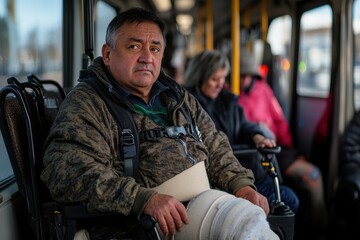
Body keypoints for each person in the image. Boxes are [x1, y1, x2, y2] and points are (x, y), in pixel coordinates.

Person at [40, 8, 279, 240]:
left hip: (204, 198)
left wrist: (241, 184)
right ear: (108, 54)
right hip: (140, 222)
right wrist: (142, 199)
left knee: (253, 218)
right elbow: (63, 167)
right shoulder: (89, 102)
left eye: (154, 48)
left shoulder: (176, 96)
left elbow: (214, 143)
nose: (146, 57)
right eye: (134, 46)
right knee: (245, 224)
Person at [183, 50, 299, 213]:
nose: (220, 84)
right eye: (214, 79)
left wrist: (256, 136)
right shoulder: (188, 105)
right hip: (219, 177)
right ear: (199, 77)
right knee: (288, 198)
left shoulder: (228, 101)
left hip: (241, 168)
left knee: (286, 194)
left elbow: (244, 125)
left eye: (223, 78)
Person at [237, 47, 327, 239]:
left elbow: (280, 123)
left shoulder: (263, 90)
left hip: (277, 149)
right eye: (240, 75)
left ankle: (318, 229)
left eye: (247, 75)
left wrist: (291, 150)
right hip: (253, 154)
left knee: (314, 176)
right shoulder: (229, 98)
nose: (243, 80)